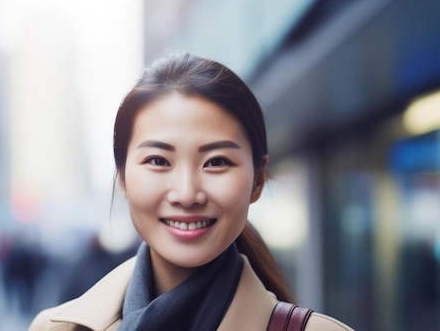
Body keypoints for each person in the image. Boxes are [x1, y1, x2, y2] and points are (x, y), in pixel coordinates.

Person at [29, 53, 354, 330]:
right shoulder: (56, 328)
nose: (186, 194)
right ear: (123, 178)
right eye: (158, 160)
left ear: (257, 180)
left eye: (216, 162)